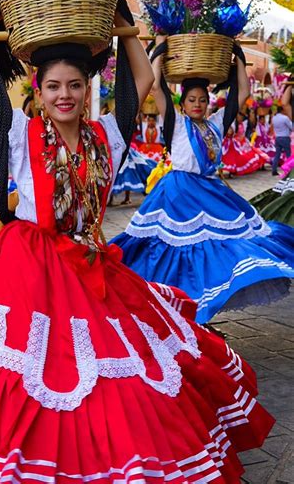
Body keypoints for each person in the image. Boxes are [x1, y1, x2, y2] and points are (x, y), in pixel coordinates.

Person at [0, 0, 274, 483]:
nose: (65, 95)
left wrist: (125, 27)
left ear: (87, 87)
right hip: (28, 265)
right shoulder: (18, 133)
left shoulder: (106, 134)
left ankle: (98, 458)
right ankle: (23, 456)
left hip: (90, 262)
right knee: (23, 369)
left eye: (75, 85)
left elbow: (142, 84)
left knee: (113, 368)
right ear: (40, 90)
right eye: (53, 86)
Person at [112, 47, 294, 324]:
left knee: (216, 247)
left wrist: (239, 57)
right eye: (191, 100)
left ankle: (200, 307)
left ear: (208, 103)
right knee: (171, 249)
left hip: (210, 191)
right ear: (182, 103)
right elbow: (156, 85)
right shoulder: (175, 122)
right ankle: (171, 306)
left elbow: (241, 94)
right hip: (177, 194)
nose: (197, 104)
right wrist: (161, 49)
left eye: (202, 100)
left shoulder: (216, 124)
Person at [222, 111, 269, 175]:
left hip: (238, 143)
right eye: (240, 117)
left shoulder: (243, 124)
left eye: (242, 118)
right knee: (225, 158)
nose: (241, 119)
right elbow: (229, 133)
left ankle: (232, 171)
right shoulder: (232, 124)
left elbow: (242, 134)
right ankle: (223, 171)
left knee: (240, 156)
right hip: (230, 143)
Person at [271, 105, 292, 175]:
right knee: (288, 154)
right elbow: (291, 127)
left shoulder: (274, 118)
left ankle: (274, 170)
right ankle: (290, 169)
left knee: (277, 154)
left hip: (277, 138)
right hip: (285, 137)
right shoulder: (285, 118)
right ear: (282, 110)